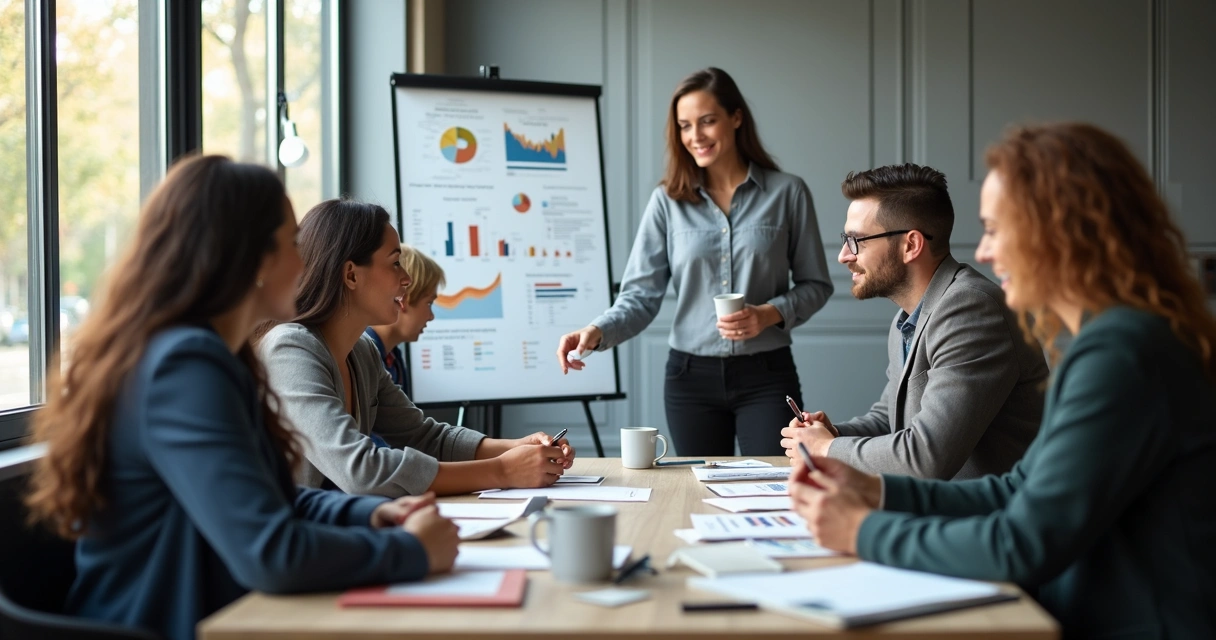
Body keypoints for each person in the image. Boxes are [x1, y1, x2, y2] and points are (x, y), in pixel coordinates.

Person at [788, 123, 1216, 638]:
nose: (984, 252)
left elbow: (1023, 542)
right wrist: (876, 494)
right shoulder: (1108, 342)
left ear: (1057, 231)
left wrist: (863, 530)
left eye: (996, 228)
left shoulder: (1123, 353)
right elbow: (1017, 489)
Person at [23, 156, 459, 640]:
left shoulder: (212, 356)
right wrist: (411, 553)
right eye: (293, 243)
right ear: (250, 258)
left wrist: (373, 513)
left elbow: (265, 499)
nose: (307, 262)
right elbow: (270, 554)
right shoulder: (183, 366)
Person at [556, 67, 833, 456]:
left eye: (707, 121)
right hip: (690, 380)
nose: (695, 136)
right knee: (698, 491)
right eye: (685, 126)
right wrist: (596, 331)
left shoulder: (788, 193)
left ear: (736, 118)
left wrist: (768, 313)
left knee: (775, 485)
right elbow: (641, 296)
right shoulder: (666, 201)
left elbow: (816, 285)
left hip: (767, 374)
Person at [259, 199, 575, 498]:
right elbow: (361, 471)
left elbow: (425, 437)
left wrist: (516, 447)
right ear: (351, 274)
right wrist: (503, 471)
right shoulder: (291, 348)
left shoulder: (362, 353)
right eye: (395, 263)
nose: (407, 278)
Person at [779, 164, 1047, 479]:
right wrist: (832, 433)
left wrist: (827, 449)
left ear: (911, 245)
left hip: (987, 519)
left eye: (856, 241)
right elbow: (891, 418)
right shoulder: (907, 317)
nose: (843, 255)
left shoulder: (971, 311)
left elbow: (926, 457)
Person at [365, 244, 444, 392]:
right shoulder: (363, 358)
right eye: (429, 303)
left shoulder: (394, 358)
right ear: (403, 299)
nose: (431, 316)